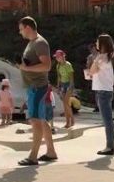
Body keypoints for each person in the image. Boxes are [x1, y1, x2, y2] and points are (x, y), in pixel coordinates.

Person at [17, 16, 58, 166]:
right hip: (34, 87)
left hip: (37, 87)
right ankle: (51, 152)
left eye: (21, 29)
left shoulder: (40, 43)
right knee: (41, 119)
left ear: (28, 27)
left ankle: (33, 156)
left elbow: (47, 66)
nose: (20, 32)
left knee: (35, 120)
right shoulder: (32, 43)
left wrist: (26, 68)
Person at [89, 33, 114, 156]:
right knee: (108, 120)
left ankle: (110, 147)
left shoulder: (101, 58)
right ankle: (110, 146)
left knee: (107, 120)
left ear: (102, 44)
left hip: (103, 92)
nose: (96, 44)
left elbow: (91, 71)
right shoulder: (107, 57)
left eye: (97, 42)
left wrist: (95, 60)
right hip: (105, 90)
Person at [53, 49, 75, 129]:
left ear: (62, 56)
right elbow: (59, 77)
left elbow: (71, 77)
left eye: (58, 57)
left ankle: (71, 120)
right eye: (56, 57)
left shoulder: (68, 65)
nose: (57, 58)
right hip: (62, 85)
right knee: (65, 104)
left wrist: (71, 86)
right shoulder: (58, 66)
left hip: (69, 84)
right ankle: (69, 121)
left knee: (66, 102)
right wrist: (58, 86)